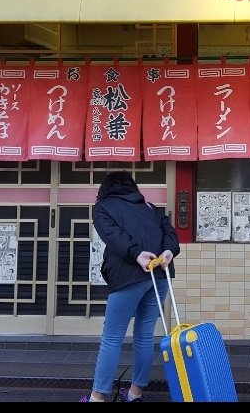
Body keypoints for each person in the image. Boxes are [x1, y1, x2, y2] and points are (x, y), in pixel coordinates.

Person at [80, 171, 180, 403]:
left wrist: (136, 254)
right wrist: (169, 251)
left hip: (128, 277)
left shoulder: (103, 208)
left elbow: (112, 236)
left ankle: (97, 397)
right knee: (144, 336)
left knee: (112, 338)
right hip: (159, 275)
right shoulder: (150, 208)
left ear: (106, 188)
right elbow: (170, 233)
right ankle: (135, 394)